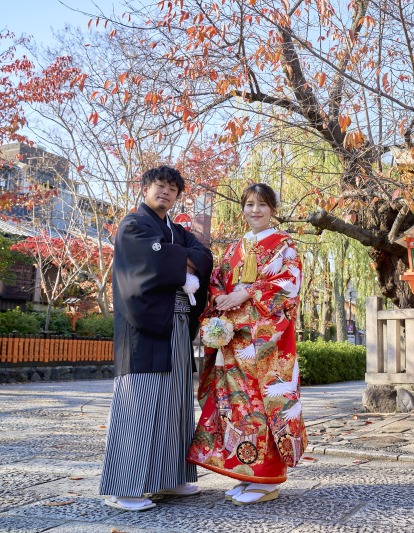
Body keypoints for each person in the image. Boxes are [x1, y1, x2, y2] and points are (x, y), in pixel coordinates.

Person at [99, 165, 213, 511]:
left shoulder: (176, 231)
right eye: (159, 186)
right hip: (143, 329)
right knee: (140, 403)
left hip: (176, 325)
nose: (165, 192)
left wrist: (180, 260)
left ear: (178, 196)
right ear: (145, 188)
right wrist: (183, 262)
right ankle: (126, 488)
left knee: (175, 404)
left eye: (172, 189)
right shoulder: (132, 226)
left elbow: (204, 256)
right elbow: (154, 260)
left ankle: (172, 478)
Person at [188, 183, 306, 506]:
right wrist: (220, 302)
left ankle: (267, 478)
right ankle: (245, 473)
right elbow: (215, 284)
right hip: (234, 341)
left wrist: (248, 292)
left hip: (265, 343)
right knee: (237, 407)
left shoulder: (284, 246)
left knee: (262, 405)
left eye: (262, 205)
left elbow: (287, 286)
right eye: (250, 204)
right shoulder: (233, 249)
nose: (255, 210)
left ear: (273, 210)